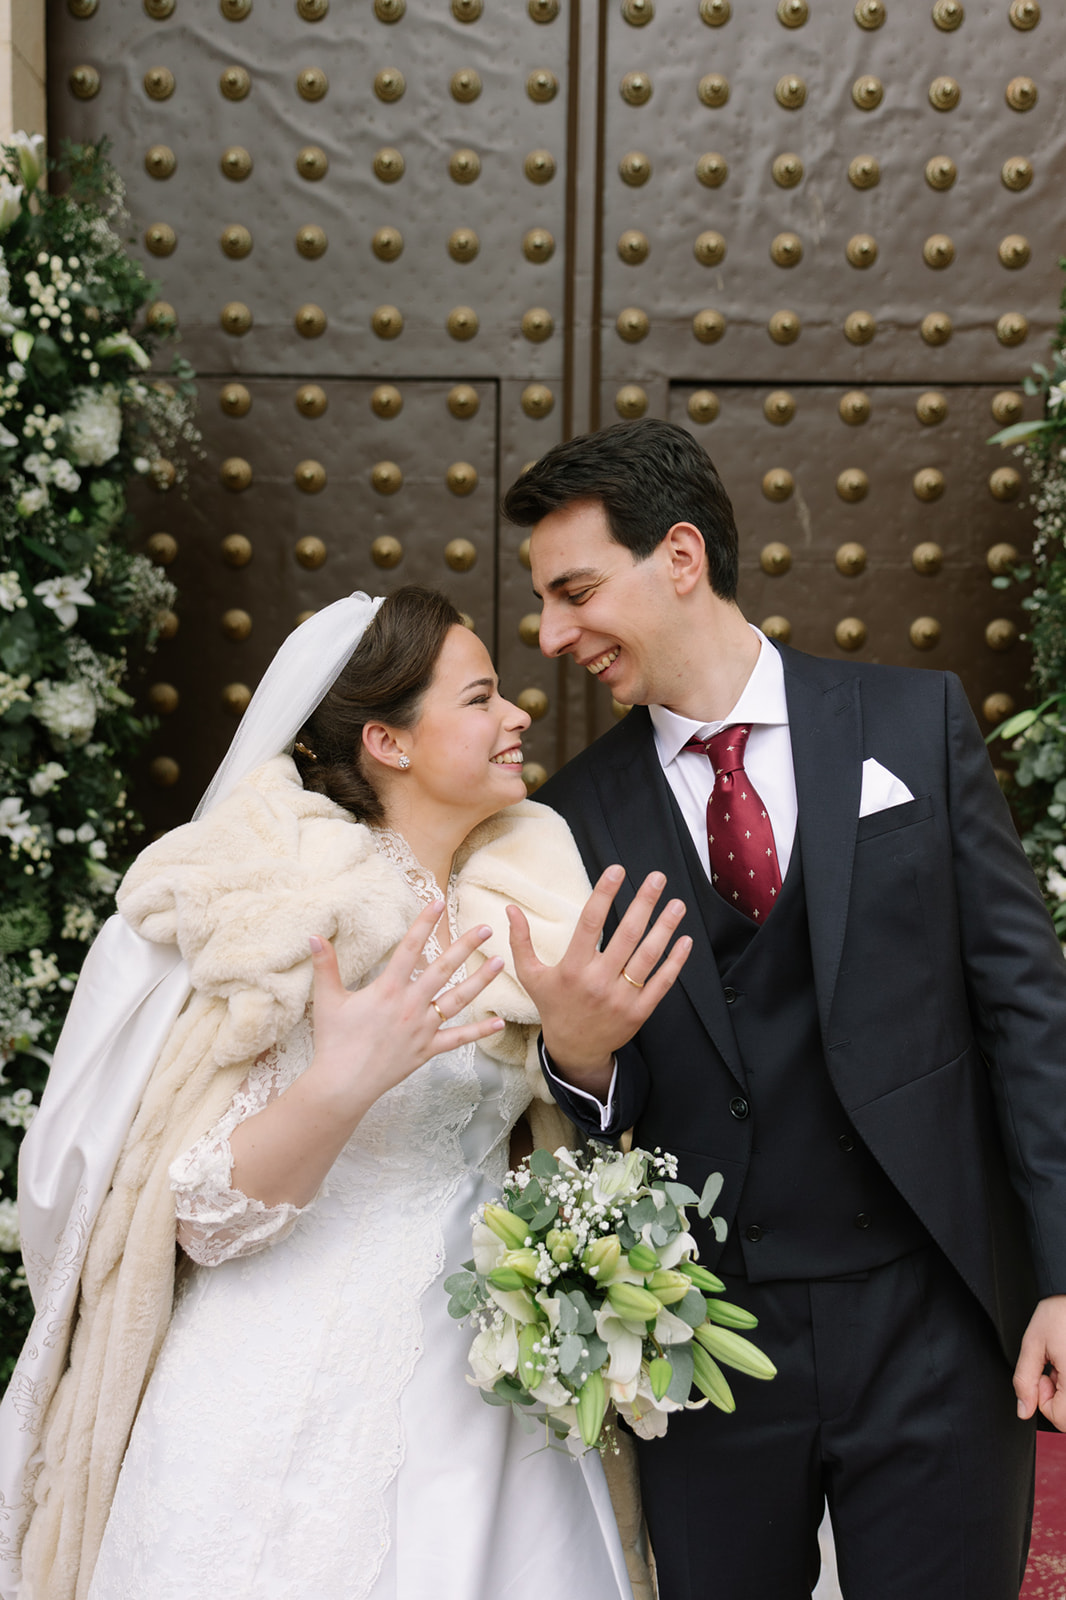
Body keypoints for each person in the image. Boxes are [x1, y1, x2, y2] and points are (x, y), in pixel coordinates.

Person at [0, 585, 686, 1600]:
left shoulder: (519, 899)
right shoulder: (299, 911)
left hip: (484, 1373)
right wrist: (343, 1082)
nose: (518, 715)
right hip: (284, 1378)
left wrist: (581, 1054)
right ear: (387, 741)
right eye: (480, 698)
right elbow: (200, 1215)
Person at [501, 418, 1066, 1600]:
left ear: (681, 556)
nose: (549, 636)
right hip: (707, 1347)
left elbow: (1027, 1013)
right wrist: (579, 1060)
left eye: (574, 592)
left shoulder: (915, 722)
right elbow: (590, 1104)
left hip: (934, 1321)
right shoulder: (569, 815)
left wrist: (1062, 1274)